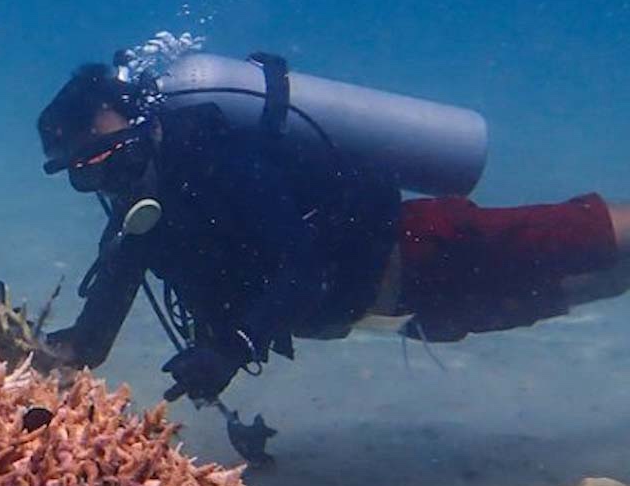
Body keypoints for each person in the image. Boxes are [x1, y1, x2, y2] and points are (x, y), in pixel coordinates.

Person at [37, 54, 629, 404]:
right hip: (397, 307)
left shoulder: (218, 159)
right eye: (83, 176)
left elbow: (300, 263)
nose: (107, 183)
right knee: (590, 285)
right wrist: (31, 353)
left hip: (424, 252)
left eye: (107, 160)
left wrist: (232, 348)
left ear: (137, 124)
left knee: (588, 237)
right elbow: (99, 320)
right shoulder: (142, 204)